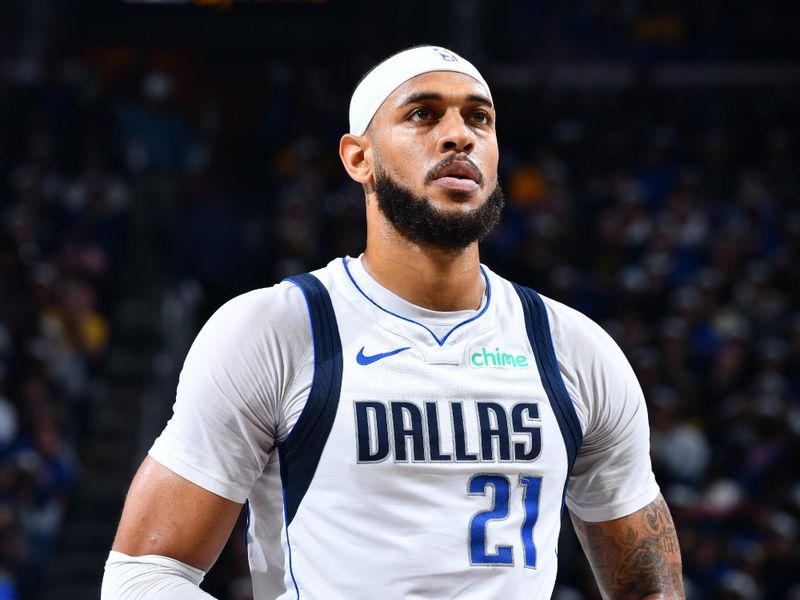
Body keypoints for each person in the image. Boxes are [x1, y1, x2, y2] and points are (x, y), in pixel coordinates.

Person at [102, 45, 684, 599]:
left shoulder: (576, 350)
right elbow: (144, 576)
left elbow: (647, 584)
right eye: (423, 115)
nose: (459, 135)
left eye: (479, 119)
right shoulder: (276, 330)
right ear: (360, 158)